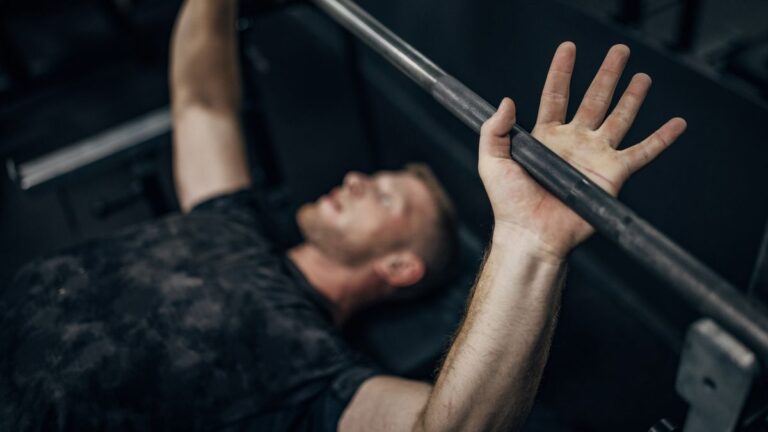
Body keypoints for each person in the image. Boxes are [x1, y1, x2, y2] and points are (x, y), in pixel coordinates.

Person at [0, 0, 687, 431]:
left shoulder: (313, 376)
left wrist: (528, 241)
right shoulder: (230, 220)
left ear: (399, 265)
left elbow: (444, 428)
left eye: (386, 197)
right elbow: (202, 99)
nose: (356, 178)